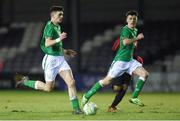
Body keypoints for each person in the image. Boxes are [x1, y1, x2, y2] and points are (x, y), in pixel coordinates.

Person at [15, 6, 82, 114]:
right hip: (51, 61)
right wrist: (59, 38)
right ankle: (26, 81)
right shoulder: (49, 27)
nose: (62, 16)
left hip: (60, 59)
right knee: (48, 88)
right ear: (53, 15)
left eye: (62, 14)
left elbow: (55, 46)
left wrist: (65, 51)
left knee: (71, 82)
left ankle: (76, 109)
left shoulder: (57, 26)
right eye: (59, 14)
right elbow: (47, 43)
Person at [81, 10, 149, 107]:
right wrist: (137, 39)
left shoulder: (135, 30)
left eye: (134, 19)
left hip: (129, 61)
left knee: (145, 74)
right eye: (130, 18)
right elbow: (125, 42)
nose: (132, 20)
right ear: (126, 20)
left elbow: (131, 45)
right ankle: (86, 96)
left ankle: (134, 97)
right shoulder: (126, 29)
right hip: (120, 61)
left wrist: (135, 46)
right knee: (107, 81)